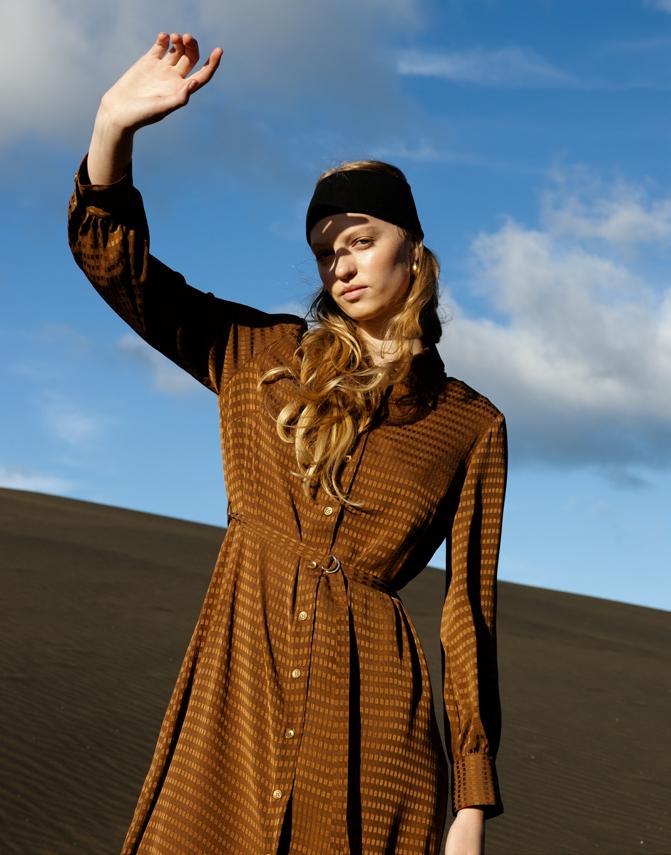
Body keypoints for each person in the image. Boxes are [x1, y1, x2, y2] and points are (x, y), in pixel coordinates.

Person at [67, 32, 507, 855]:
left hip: (376, 736)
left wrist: (471, 804)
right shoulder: (259, 354)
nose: (341, 264)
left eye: (361, 239)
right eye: (324, 250)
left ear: (413, 249)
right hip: (234, 706)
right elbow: (121, 270)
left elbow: (468, 613)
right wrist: (110, 130)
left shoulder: (469, 422)